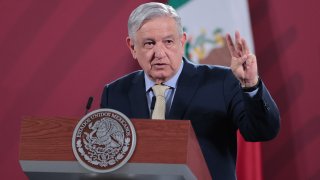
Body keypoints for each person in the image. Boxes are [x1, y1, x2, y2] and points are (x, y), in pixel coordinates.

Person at [100, 2, 280, 180]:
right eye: (149, 43)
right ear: (132, 47)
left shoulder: (222, 82)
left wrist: (251, 85)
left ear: (182, 41)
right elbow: (103, 158)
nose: (160, 53)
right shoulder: (115, 93)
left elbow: (262, 131)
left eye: (168, 42)